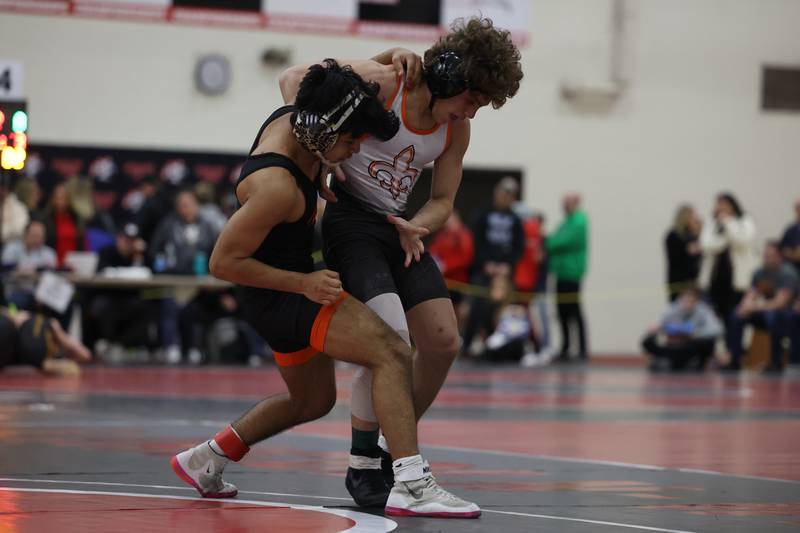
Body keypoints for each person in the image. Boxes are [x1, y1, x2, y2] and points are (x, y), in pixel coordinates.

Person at [170, 60, 479, 518]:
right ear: (327, 132)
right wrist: (305, 282)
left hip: (288, 284)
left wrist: (390, 55)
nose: (356, 151)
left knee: (312, 401)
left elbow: (297, 76)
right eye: (353, 141)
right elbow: (223, 262)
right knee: (391, 350)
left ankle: (207, 458)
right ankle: (411, 481)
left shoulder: (302, 117)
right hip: (283, 291)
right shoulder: (276, 186)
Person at [279, 16, 522, 508]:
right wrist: (317, 152)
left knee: (442, 340)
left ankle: (392, 447)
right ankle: (367, 463)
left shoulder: (457, 131)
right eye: (471, 99)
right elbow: (291, 80)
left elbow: (444, 198)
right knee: (389, 340)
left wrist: (421, 224)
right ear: (450, 77)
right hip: (351, 221)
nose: (471, 112)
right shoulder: (386, 81)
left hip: (397, 229)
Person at [461, 177, 525, 357]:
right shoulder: (483, 215)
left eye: (510, 195)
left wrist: (508, 265)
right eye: (504, 193)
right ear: (497, 193)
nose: (506, 197)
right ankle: (467, 345)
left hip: (505, 274)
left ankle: (500, 348)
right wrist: (485, 263)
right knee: (477, 307)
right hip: (484, 270)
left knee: (503, 310)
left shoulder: (516, 220)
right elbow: (476, 242)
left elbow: (519, 246)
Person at [724, 241, 798, 373]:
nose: (766, 258)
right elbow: (750, 295)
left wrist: (752, 307)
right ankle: (735, 359)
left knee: (774, 317)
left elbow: (780, 303)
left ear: (779, 257)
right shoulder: (759, 272)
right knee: (736, 315)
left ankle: (776, 362)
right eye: (765, 255)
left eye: (770, 255)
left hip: (787, 314)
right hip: (765, 311)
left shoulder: (787, 274)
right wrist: (744, 306)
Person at [699, 192, 758, 322]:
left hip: (737, 281)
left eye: (724, 205)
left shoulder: (744, 220)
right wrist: (726, 239)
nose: (721, 208)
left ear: (732, 205)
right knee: (713, 317)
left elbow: (743, 241)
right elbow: (706, 244)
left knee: (735, 318)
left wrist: (727, 222)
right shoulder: (711, 222)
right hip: (714, 278)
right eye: (718, 205)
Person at [546, 193, 589, 362]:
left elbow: (559, 242)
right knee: (562, 312)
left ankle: (582, 349)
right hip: (561, 271)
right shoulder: (566, 222)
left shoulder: (579, 221)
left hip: (572, 273)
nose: (565, 206)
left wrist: (549, 242)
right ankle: (565, 347)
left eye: (568, 203)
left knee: (574, 311)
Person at [641, 287, 722, 371]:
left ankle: (693, 362)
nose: (687, 305)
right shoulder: (672, 309)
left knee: (708, 343)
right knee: (648, 340)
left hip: (691, 345)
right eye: (684, 301)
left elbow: (717, 329)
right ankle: (670, 360)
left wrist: (697, 333)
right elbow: (659, 324)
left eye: (690, 302)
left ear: (696, 302)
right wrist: (659, 328)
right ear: (680, 300)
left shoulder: (703, 310)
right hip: (674, 345)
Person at [0, 306, 92, 377]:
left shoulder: (46, 358)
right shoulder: (49, 325)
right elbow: (85, 355)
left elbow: (86, 355)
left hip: (15, 346)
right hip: (14, 340)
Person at [1, 220, 58, 310]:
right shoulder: (12, 248)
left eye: (41, 236)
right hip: (17, 290)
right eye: (34, 235)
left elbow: (53, 276)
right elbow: (6, 269)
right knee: (20, 302)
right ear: (25, 234)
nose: (38, 239)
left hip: (42, 293)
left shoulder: (49, 253)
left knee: (65, 305)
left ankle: (53, 323)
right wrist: (21, 270)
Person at [665, 204, 702, 301]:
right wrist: (689, 249)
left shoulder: (698, 235)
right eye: (693, 217)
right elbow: (676, 256)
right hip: (679, 282)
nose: (696, 219)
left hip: (695, 282)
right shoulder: (673, 235)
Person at [780, 198, 800, 274]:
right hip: (792, 267)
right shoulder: (790, 231)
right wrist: (794, 254)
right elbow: (783, 250)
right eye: (798, 210)